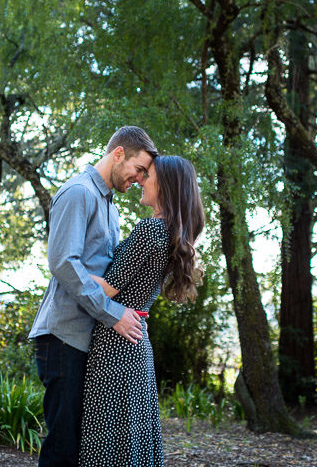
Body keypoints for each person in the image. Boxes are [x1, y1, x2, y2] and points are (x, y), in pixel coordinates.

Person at [28, 126, 158, 467]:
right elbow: (62, 263)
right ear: (118, 154)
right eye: (139, 169)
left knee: (79, 447)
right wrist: (113, 313)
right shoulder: (79, 192)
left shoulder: (109, 206)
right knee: (63, 446)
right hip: (63, 337)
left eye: (145, 174)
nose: (140, 179)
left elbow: (108, 272)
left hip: (86, 339)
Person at [79, 155, 205, 467]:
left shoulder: (150, 231)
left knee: (106, 442)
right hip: (136, 346)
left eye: (147, 175)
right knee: (130, 442)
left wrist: (67, 265)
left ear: (166, 186)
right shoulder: (169, 234)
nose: (140, 181)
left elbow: (107, 289)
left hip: (115, 346)